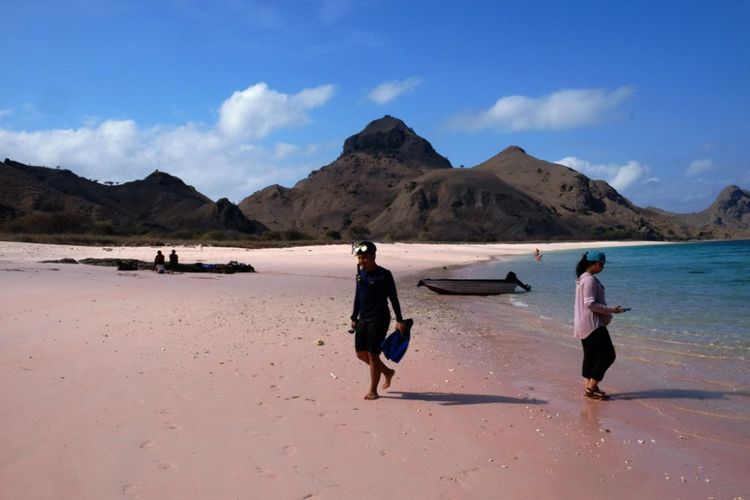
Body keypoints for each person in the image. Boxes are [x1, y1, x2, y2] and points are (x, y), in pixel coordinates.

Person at [350, 241, 407, 400]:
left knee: (373, 354)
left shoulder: (384, 274)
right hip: (363, 318)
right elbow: (358, 296)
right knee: (361, 354)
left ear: (373, 256)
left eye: (364, 258)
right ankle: (387, 372)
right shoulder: (360, 275)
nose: (361, 262)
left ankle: (373, 390)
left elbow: (393, 298)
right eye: (359, 258)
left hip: (380, 318)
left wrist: (399, 320)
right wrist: (354, 316)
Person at [574, 250, 625, 400]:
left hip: (583, 323)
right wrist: (611, 310)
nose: (603, 267)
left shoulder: (582, 278)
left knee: (590, 356)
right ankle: (590, 389)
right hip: (592, 324)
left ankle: (590, 387)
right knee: (608, 355)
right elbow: (589, 303)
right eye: (601, 264)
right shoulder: (589, 280)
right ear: (593, 263)